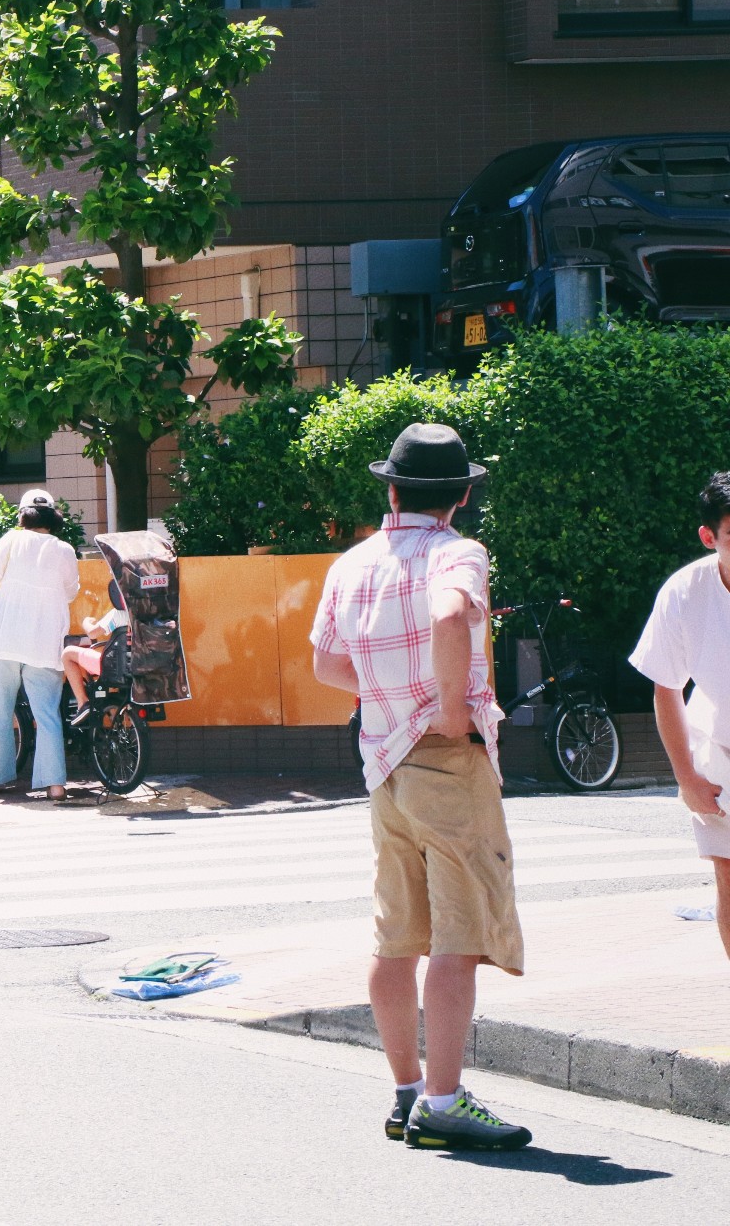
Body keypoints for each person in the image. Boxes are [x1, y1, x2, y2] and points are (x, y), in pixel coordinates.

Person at [310, 422, 530, 1153]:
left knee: (396, 932)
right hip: (445, 757)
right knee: (457, 937)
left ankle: (406, 1091)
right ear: (461, 495)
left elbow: (326, 664)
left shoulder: (352, 562)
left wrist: (387, 698)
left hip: (383, 765)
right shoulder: (458, 551)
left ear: (392, 488)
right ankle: (443, 1100)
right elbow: (445, 613)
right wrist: (444, 706)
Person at [631, 470, 730, 963]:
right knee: (729, 878)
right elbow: (666, 686)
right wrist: (686, 776)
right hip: (721, 748)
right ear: (710, 536)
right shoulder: (684, 592)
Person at [0, 489, 82, 801]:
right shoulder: (64, 550)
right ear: (52, 517)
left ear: (23, 515)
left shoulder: (10, 540)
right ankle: (55, 785)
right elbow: (70, 591)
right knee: (47, 714)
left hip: (4, 640)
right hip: (44, 643)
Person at [63, 578, 129, 730]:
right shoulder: (149, 615)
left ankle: (82, 703)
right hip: (141, 666)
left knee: (67, 654)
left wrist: (87, 621)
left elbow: (93, 632)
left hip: (115, 666)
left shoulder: (118, 614)